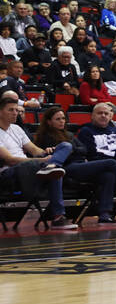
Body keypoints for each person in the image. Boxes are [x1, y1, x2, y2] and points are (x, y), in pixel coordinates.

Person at [35, 105, 116, 222]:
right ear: (49, 122)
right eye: (58, 119)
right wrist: (69, 149)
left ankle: (104, 215)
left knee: (108, 175)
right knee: (110, 163)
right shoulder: (45, 137)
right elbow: (46, 154)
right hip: (66, 168)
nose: (62, 121)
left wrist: (71, 149)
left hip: (81, 164)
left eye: (63, 118)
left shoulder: (69, 135)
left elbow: (84, 149)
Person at [0, 95, 79, 228]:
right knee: (52, 170)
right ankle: (58, 216)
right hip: (10, 173)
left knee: (65, 147)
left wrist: (46, 152)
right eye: (11, 110)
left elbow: (35, 150)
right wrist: (41, 160)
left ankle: (52, 166)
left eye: (16, 110)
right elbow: (10, 160)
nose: (16, 113)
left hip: (31, 167)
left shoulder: (17, 129)